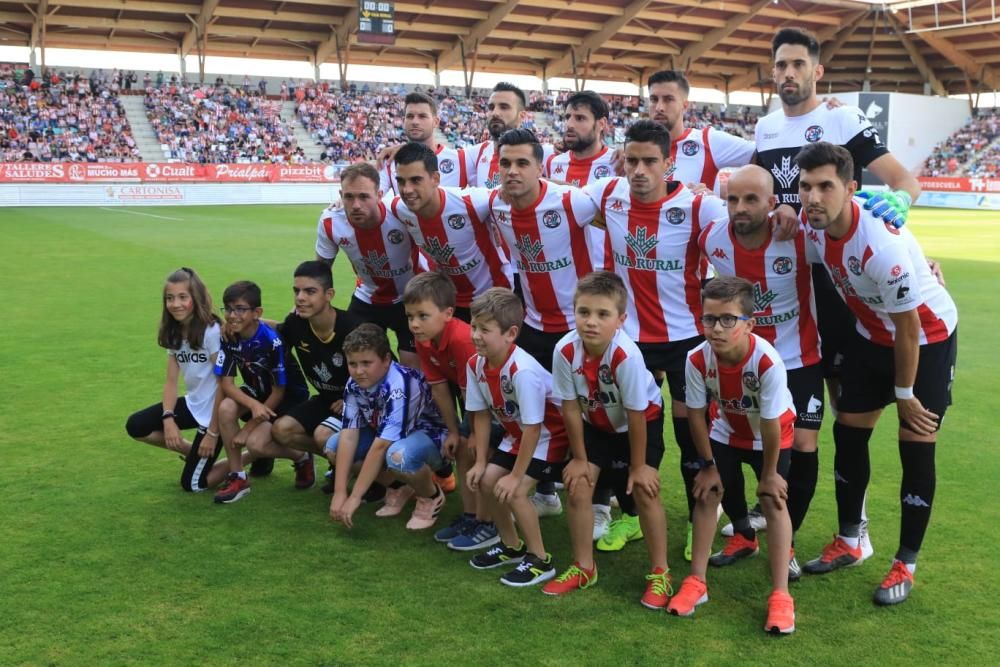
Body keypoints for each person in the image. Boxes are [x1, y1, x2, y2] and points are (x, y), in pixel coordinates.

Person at [796, 142, 957, 605]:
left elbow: (909, 328)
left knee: (916, 446)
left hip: (926, 340)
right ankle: (851, 540)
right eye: (806, 187)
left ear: (850, 189)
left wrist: (905, 393)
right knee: (848, 434)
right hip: (872, 336)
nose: (813, 198)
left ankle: (905, 561)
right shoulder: (811, 227)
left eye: (825, 187)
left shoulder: (879, 245)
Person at [586, 119, 728, 561]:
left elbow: (746, 230)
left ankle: (698, 516)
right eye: (632, 160)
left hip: (686, 340)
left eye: (650, 161)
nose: (640, 170)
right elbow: (549, 195)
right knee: (629, 429)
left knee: (693, 433)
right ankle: (630, 512)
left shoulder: (698, 207)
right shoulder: (608, 196)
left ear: (669, 163)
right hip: (630, 341)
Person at [698, 164, 822, 579]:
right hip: (736, 360)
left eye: (751, 199)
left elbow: (845, 244)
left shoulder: (799, 235)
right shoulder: (713, 237)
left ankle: (786, 542)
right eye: (733, 199)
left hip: (796, 359)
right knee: (726, 449)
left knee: (802, 447)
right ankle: (744, 534)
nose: (740, 208)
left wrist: (921, 259)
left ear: (772, 203)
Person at [668, 276, 797, 635]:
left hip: (770, 434)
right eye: (710, 319)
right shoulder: (696, 359)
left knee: (773, 500)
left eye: (728, 319)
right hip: (726, 427)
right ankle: (696, 582)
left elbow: (770, 423)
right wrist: (707, 465)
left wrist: (770, 474)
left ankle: (781, 595)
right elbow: (695, 413)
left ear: (749, 324)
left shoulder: (767, 362)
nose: (717, 328)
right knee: (707, 492)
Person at [542, 272, 672, 609]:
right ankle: (585, 567)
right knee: (578, 485)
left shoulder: (625, 355)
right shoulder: (564, 349)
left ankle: (661, 572)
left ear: (621, 319)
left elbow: (636, 415)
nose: (591, 322)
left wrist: (640, 466)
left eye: (603, 314)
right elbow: (570, 408)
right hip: (594, 425)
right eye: (583, 312)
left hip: (639, 425)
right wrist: (580, 458)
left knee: (644, 490)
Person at [465, 288, 568, 587]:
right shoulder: (476, 364)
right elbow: (481, 414)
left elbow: (536, 428)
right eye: (473, 326)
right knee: (487, 481)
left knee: (515, 490)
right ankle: (511, 545)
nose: (475, 335)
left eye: (485, 329)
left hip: (552, 436)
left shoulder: (521, 370)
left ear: (511, 334)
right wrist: (481, 461)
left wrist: (516, 477)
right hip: (519, 435)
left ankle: (540, 559)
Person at [402, 271, 499, 550]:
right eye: (410, 317)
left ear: (448, 313)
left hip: (494, 402)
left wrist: (469, 436)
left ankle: (487, 521)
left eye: (422, 316)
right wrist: (453, 432)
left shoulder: (461, 340)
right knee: (462, 449)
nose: (415, 324)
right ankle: (471, 516)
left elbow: (476, 397)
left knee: (476, 451)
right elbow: (440, 389)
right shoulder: (424, 341)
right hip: (475, 401)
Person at [328, 324, 449, 530]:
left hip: (432, 436)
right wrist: (340, 492)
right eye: (352, 363)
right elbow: (349, 434)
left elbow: (381, 445)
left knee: (397, 456)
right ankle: (398, 486)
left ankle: (431, 496)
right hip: (387, 436)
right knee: (334, 447)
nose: (359, 371)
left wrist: (355, 497)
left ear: (386, 360)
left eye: (367, 363)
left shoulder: (400, 383)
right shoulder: (354, 383)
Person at [263, 261, 366, 492]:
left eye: (310, 291)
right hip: (326, 399)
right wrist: (245, 320)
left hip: (359, 402)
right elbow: (274, 333)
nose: (300, 298)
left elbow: (384, 372)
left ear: (329, 294)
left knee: (323, 435)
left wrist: (353, 397)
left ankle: (373, 476)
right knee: (282, 430)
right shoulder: (296, 324)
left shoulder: (354, 328)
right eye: (296, 291)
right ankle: (342, 463)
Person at [124, 268, 227, 493]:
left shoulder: (211, 331)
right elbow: (171, 382)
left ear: (196, 298)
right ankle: (194, 452)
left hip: (215, 414)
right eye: (170, 298)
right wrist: (168, 419)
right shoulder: (174, 332)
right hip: (193, 404)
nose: (175, 304)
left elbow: (224, 385)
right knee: (136, 425)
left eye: (183, 297)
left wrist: (212, 432)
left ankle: (250, 456)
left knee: (193, 484)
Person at [315, 162, 422, 368]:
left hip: (409, 298)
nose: (356, 205)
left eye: (364, 196)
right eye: (349, 196)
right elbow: (320, 271)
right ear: (340, 195)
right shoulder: (330, 222)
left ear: (379, 194)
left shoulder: (402, 213)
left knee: (413, 368)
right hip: (368, 298)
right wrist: (307, 298)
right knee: (361, 361)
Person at [389, 141, 513, 318]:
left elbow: (525, 188)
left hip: (493, 298)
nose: (407, 190)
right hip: (448, 302)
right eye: (401, 181)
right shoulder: (397, 207)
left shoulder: (471, 202)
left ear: (435, 179)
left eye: (416, 180)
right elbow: (369, 206)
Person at [211, 281, 309, 504]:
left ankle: (302, 456)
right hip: (259, 392)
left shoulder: (271, 341)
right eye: (228, 309)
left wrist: (248, 427)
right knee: (226, 407)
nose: (232, 315)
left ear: (257, 313)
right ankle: (238, 477)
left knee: (255, 443)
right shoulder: (228, 336)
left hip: (288, 398)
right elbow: (227, 384)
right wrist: (254, 405)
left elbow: (279, 390)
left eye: (240, 309)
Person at [646, 70, 755, 193]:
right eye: (654, 99)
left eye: (668, 99)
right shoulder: (633, 150)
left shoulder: (708, 141)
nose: (659, 107)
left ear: (685, 106)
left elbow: (763, 156)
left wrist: (732, 199)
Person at [544, 90, 616, 270]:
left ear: (601, 124)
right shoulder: (553, 163)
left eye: (580, 118)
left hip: (602, 272)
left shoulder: (618, 163)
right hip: (560, 269)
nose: (569, 124)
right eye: (567, 117)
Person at [380, 92, 472, 196]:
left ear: (436, 122)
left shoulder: (461, 159)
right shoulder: (390, 162)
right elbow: (374, 200)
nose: (415, 121)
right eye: (410, 116)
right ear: (404, 121)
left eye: (422, 116)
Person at [466, 82, 556, 189]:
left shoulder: (547, 154)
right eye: (491, 107)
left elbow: (575, 193)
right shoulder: (473, 155)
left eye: (504, 107)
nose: (495, 113)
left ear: (522, 116)